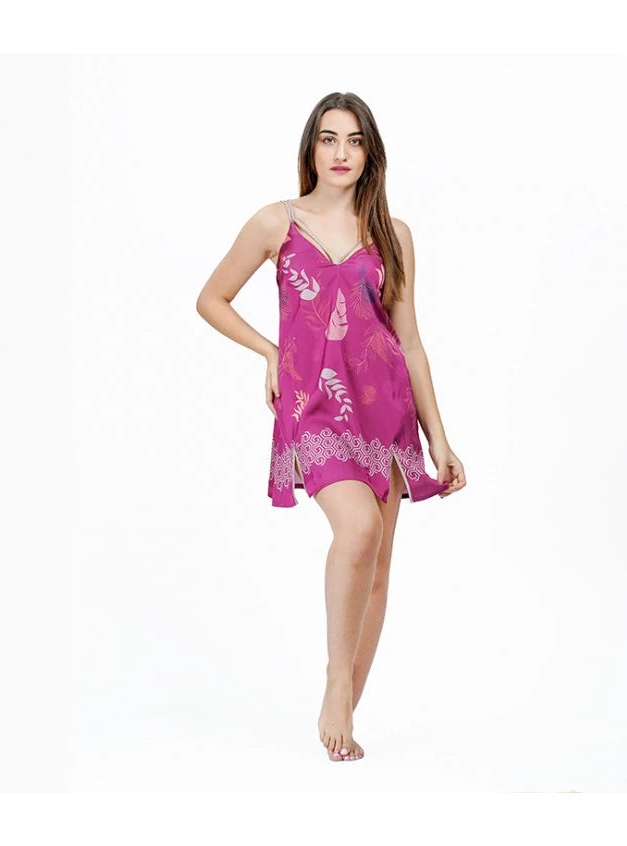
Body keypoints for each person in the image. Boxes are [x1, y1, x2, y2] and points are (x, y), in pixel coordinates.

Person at [196, 92, 466, 762]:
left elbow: (409, 342)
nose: (341, 153)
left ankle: (346, 707)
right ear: (311, 148)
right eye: (328, 138)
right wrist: (270, 353)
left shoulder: (393, 234)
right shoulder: (276, 222)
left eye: (354, 140)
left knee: (377, 568)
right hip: (314, 405)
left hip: (386, 412)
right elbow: (211, 298)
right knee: (359, 529)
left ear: (370, 153)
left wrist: (439, 437)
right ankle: (336, 683)